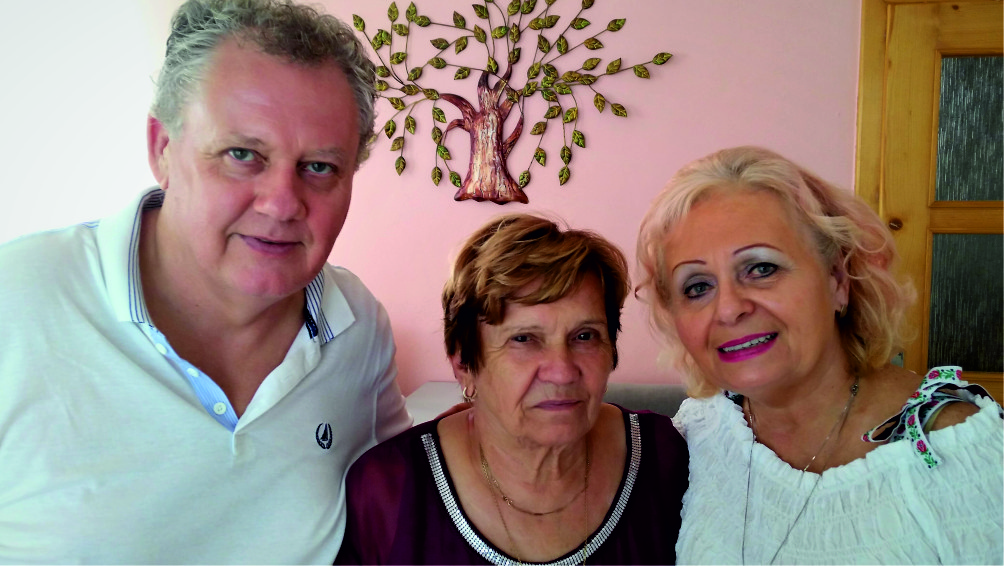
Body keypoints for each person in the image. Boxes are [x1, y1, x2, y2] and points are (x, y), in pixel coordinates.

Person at [0, 0, 412, 562]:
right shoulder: (17, 302)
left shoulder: (357, 326)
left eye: (319, 167)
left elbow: (400, 505)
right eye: (242, 154)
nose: (282, 204)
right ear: (163, 149)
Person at [636, 146, 1004, 564]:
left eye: (762, 268)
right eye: (697, 286)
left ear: (837, 280)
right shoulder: (700, 432)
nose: (729, 308)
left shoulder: (964, 456)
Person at [336, 214, 689, 565]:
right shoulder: (388, 492)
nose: (562, 372)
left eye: (584, 336)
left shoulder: (665, 458)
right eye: (523, 339)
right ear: (464, 363)